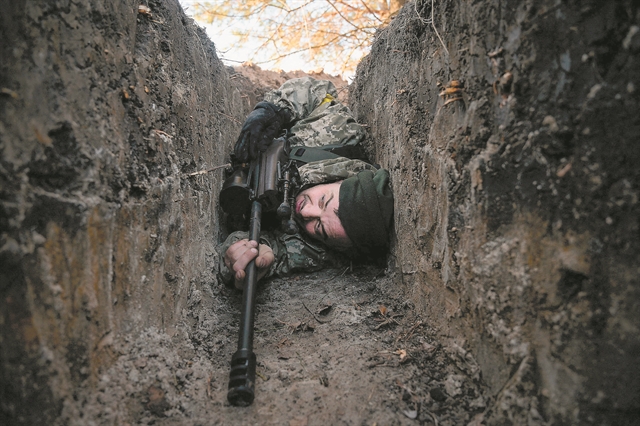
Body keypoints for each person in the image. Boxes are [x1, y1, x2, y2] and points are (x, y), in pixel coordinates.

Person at [218, 77, 394, 289]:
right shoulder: (339, 135)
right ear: (340, 179)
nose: (306, 212)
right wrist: (275, 111)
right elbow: (319, 89)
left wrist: (246, 254)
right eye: (323, 201)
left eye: (319, 227)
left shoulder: (323, 249)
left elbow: (275, 253)